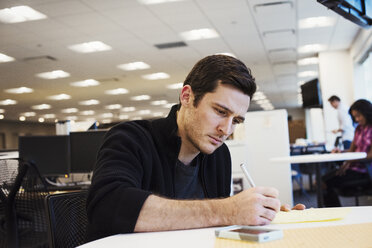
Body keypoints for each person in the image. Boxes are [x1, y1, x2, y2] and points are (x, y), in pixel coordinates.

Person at [86, 55, 304, 241]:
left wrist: (260, 217)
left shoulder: (219, 155)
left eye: (236, 120)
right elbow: (107, 207)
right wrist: (230, 210)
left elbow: (217, 229)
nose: (225, 130)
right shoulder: (130, 138)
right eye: (220, 111)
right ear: (187, 96)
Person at [322, 99, 372, 207]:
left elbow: (370, 155)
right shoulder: (358, 129)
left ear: (367, 112)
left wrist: (349, 160)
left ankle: (335, 215)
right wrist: (340, 152)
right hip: (352, 167)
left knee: (326, 183)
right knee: (321, 181)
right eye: (354, 117)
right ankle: (334, 214)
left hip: (365, 171)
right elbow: (351, 151)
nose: (357, 119)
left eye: (359, 115)